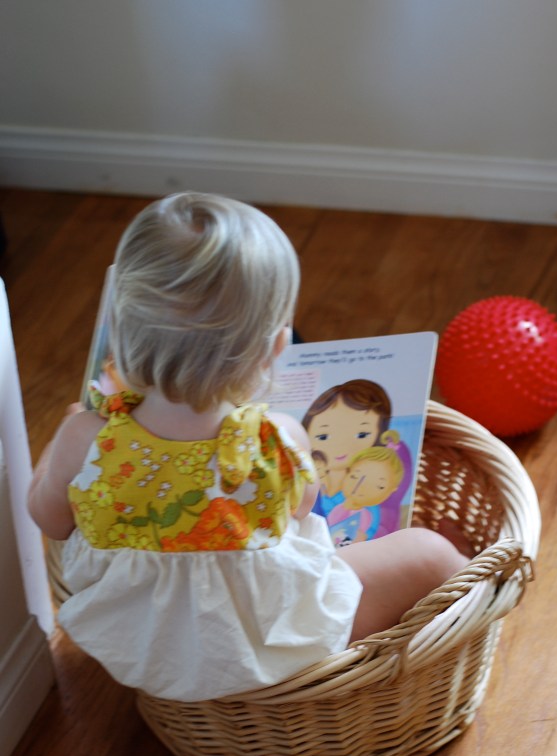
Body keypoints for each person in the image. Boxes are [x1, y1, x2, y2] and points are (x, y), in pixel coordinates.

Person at [28, 192, 469, 702]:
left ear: (117, 328)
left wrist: (52, 459)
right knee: (429, 554)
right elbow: (305, 508)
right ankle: (463, 574)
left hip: (143, 648)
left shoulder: (88, 437)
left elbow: (50, 520)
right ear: (277, 349)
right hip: (267, 646)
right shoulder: (277, 436)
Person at [327, 429, 405, 545]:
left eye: (379, 486)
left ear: (392, 490)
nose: (361, 486)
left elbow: (372, 532)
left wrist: (363, 537)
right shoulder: (334, 498)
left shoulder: (372, 513)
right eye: (354, 476)